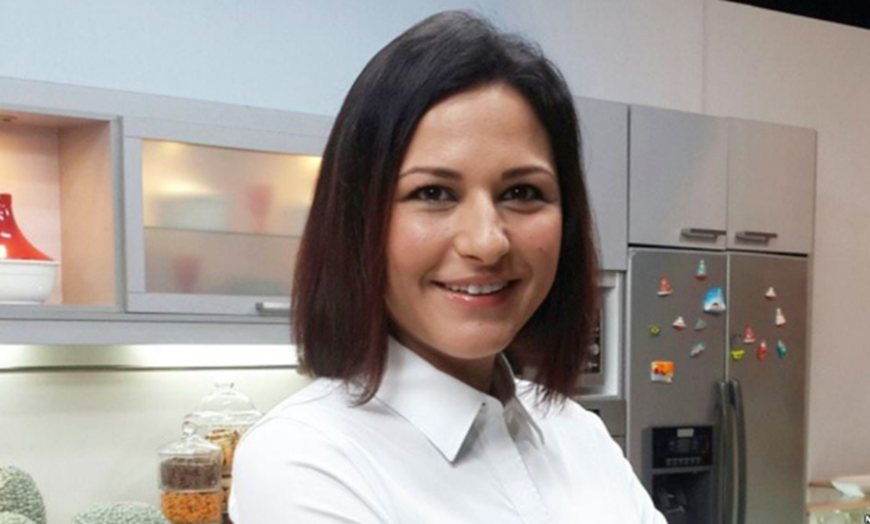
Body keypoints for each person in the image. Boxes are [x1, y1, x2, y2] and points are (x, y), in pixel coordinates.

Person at [230, 10, 666, 524]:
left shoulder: (578, 433)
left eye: (522, 192)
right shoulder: (304, 460)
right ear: (356, 218)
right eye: (433, 193)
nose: (487, 242)